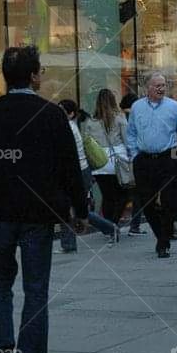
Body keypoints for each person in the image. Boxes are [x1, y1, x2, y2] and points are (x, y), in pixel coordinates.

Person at [0, 46, 87, 353]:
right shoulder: (51, 114)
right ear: (33, 76)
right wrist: (79, 210)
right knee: (35, 289)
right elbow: (69, 168)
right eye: (40, 70)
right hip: (37, 215)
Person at [126, 72, 177, 258]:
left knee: (170, 202)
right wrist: (135, 154)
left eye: (163, 85)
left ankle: (164, 240)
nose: (161, 88)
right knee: (146, 202)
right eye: (157, 85)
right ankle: (161, 235)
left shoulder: (174, 107)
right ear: (147, 88)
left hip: (167, 158)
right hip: (144, 160)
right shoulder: (137, 107)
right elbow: (131, 133)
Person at [55, 100, 121, 251]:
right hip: (79, 172)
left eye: (61, 110)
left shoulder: (68, 128)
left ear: (71, 114)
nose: (58, 113)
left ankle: (109, 229)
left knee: (73, 208)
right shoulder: (69, 126)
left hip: (76, 173)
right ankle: (109, 229)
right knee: (75, 208)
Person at [81, 89, 132, 226]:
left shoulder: (91, 121)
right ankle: (113, 223)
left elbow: (86, 142)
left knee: (108, 196)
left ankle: (108, 226)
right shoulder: (119, 117)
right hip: (117, 160)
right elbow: (126, 139)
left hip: (99, 162)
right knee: (124, 193)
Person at [119, 93, 146, 235]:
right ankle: (134, 226)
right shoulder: (134, 117)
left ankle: (112, 223)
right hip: (133, 160)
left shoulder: (118, 116)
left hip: (119, 162)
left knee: (121, 194)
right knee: (137, 194)